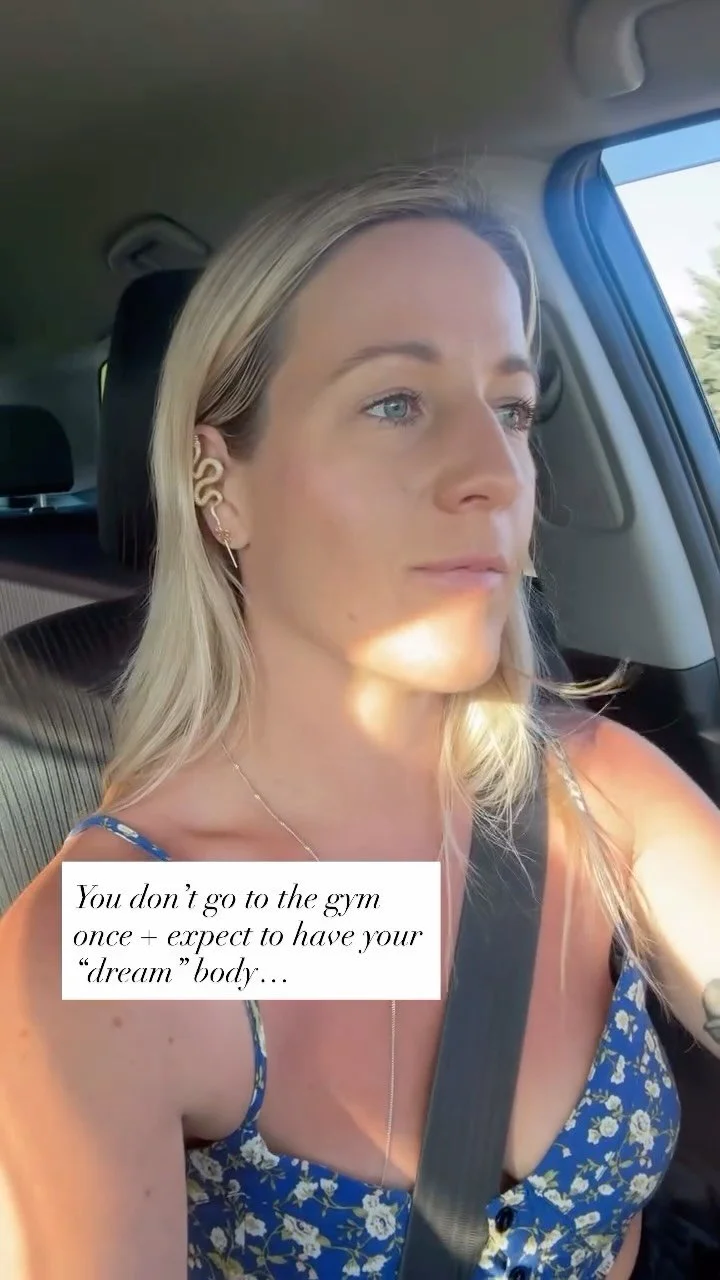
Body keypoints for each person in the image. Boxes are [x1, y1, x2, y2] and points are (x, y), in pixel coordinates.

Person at [0, 162, 718, 1280]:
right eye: (395, 403)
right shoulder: (125, 935)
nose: (495, 473)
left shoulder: (598, 785)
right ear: (219, 482)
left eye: (513, 410)